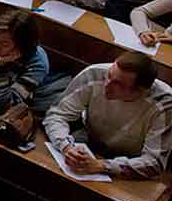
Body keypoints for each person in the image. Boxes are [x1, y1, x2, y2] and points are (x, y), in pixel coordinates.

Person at [44, 52, 172, 179]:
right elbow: (56, 114)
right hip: (89, 139)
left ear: (141, 91)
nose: (107, 85)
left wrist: (101, 166)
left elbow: (154, 162)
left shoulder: (164, 103)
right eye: (109, 75)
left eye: (118, 84)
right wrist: (66, 147)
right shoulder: (94, 74)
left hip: (131, 160)